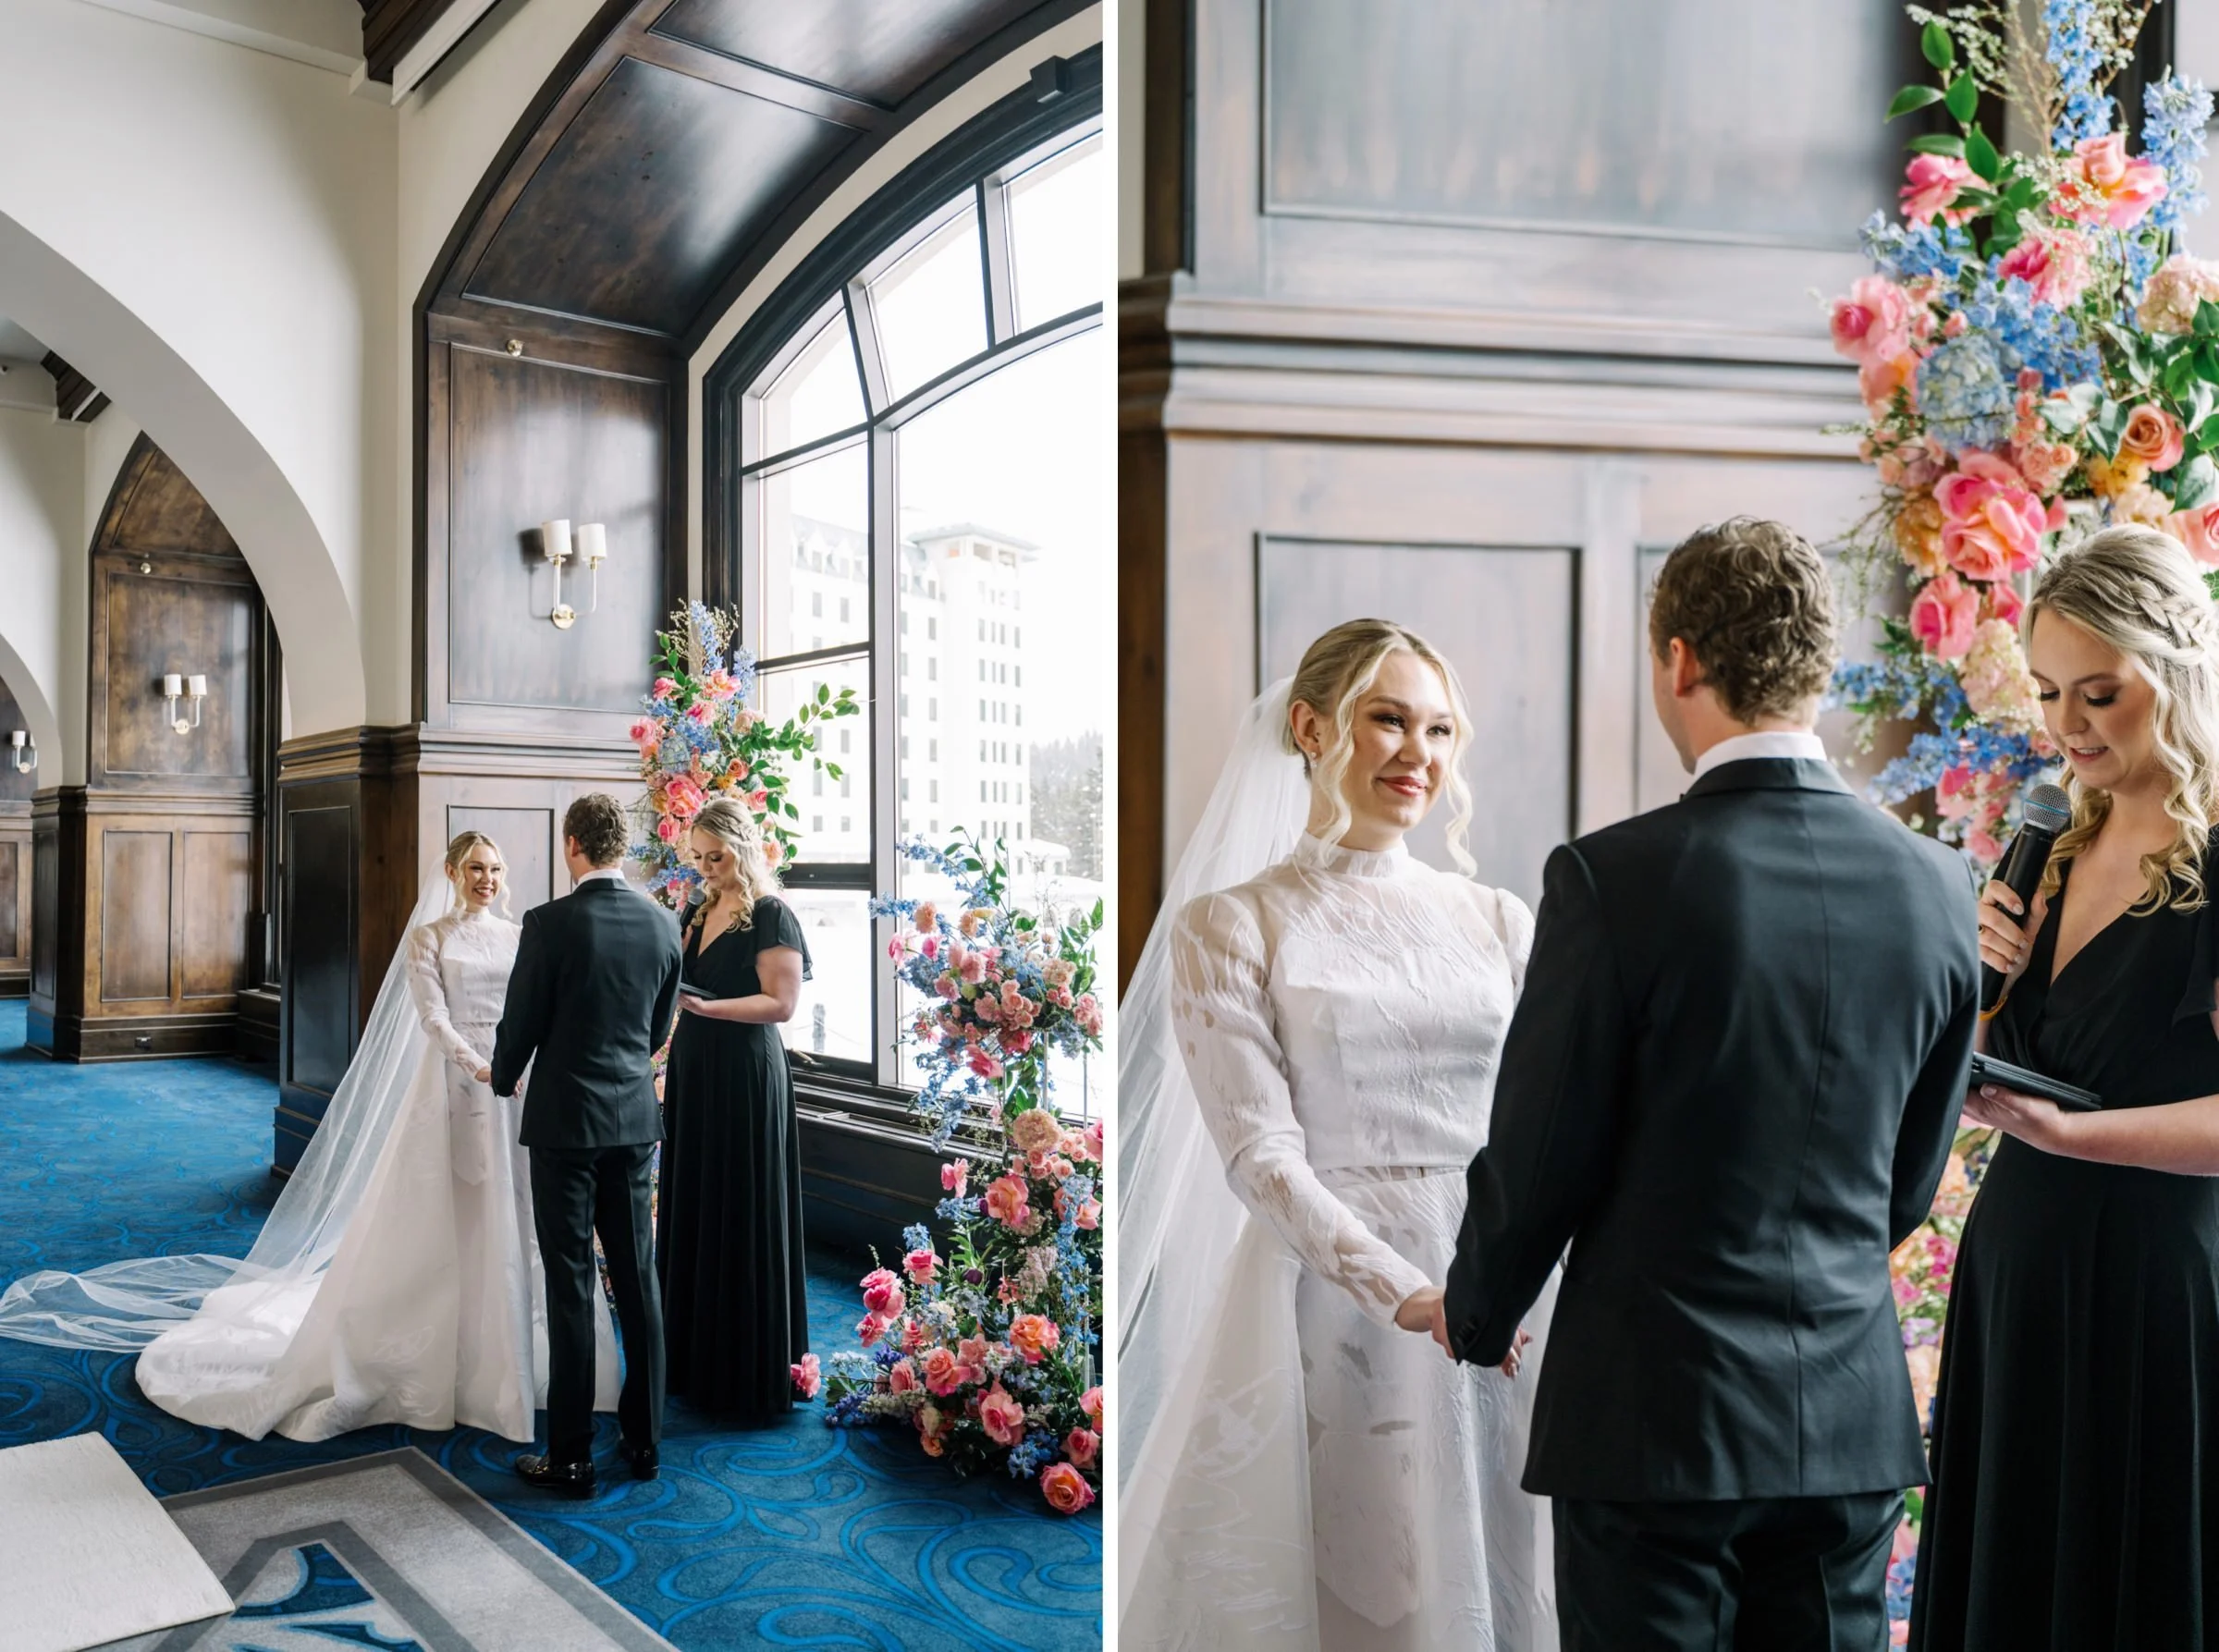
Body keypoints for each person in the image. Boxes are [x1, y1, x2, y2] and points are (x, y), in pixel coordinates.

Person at [1440, 517, 1980, 1651]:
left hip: (1654, 1421)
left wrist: (1478, 1310)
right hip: (1846, 1420)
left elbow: (1543, 1150)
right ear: (1818, 670)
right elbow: (1909, 1178)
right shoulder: (1940, 886)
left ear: (1679, 660)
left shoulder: (1610, 878)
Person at [1121, 619, 1556, 1651]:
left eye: (1441, 729)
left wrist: (1503, 1277)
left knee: (1512, 1568)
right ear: (1312, 727)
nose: (1420, 754)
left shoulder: (1499, 918)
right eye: (1389, 719)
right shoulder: (1233, 924)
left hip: (1509, 1281)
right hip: (1333, 1299)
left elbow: (1551, 1119)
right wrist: (1403, 1289)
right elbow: (1260, 1155)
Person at [0, 831, 620, 1441]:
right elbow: (431, 1016)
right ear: (454, 873)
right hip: (457, 1083)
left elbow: (537, 1008)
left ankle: (516, 1349)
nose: (488, 879)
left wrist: (516, 1066)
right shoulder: (430, 938)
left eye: (496, 868)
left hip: (516, 1088)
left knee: (518, 1210)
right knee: (448, 1212)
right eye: (476, 867)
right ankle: (444, 1352)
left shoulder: (518, 936)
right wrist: (477, 1065)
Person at [1913, 525, 2219, 1650]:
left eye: (2099, 692)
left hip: (2157, 1276)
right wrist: (1987, 982)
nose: (2066, 727)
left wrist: (2071, 1135)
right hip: (2023, 1262)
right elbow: (1980, 1055)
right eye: (2047, 693)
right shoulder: (2049, 843)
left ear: (2176, 669)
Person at [491, 793, 681, 1498]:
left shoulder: (549, 922)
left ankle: (571, 1456)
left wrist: (504, 1076)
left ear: (572, 843)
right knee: (637, 1278)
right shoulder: (665, 923)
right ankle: (646, 1441)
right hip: (634, 1124)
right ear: (621, 847)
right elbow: (660, 1027)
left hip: (566, 1125)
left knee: (570, 1280)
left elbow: (523, 1019)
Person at [656, 797, 812, 1423]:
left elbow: (781, 1004)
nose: (706, 869)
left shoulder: (771, 914)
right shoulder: (698, 908)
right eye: (697, 858)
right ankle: (692, 1356)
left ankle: (744, 1366)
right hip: (697, 1064)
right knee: (696, 1195)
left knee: (741, 1198)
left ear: (741, 849)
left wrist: (710, 1008)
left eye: (715, 857)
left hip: (744, 1068)